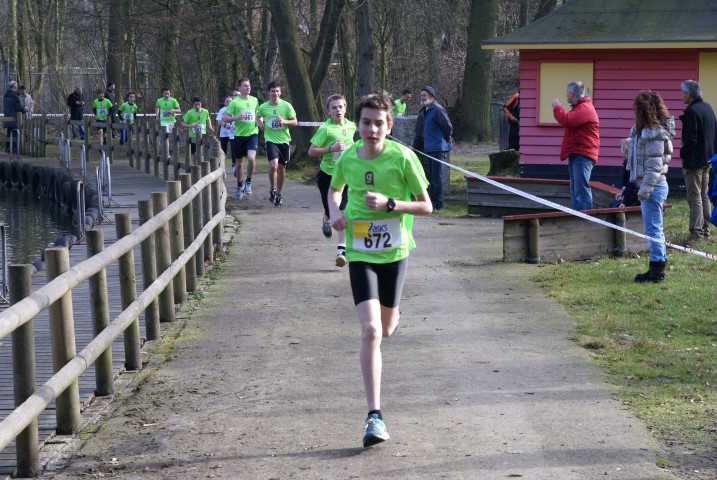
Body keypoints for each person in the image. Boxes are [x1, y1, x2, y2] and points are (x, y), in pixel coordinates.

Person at [327, 92, 432, 447]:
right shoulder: (348, 158)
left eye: (378, 123)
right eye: (366, 123)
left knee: (386, 329)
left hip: (394, 252)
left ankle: (393, 314)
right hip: (359, 251)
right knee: (371, 331)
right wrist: (335, 212)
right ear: (357, 125)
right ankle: (374, 416)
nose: (372, 129)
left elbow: (426, 206)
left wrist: (391, 204)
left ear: (389, 126)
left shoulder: (402, 158)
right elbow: (335, 190)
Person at [626, 90, 673, 283]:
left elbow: (654, 166)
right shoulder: (643, 131)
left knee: (653, 229)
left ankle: (657, 271)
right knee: (654, 228)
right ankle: (658, 263)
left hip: (653, 187)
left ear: (643, 110)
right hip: (649, 185)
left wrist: (644, 190)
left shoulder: (654, 134)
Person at [308, 94, 357, 267]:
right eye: (334, 107)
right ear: (328, 111)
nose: (338, 110)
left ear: (345, 108)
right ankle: (326, 219)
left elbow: (354, 144)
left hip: (346, 175)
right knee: (331, 210)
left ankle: (341, 250)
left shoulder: (352, 126)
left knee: (343, 211)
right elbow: (311, 151)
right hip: (328, 175)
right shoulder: (325, 129)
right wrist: (331, 149)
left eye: (340, 107)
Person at [551, 81, 600, 211]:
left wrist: (557, 108)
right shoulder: (581, 107)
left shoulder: (585, 108)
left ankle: (584, 218)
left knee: (581, 190)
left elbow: (566, 120)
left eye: (567, 92)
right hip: (578, 153)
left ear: (572, 93)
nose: (566, 95)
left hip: (583, 154)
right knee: (575, 189)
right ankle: (578, 215)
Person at [679, 79, 717, 242]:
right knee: (704, 195)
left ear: (689, 94)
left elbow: (691, 139)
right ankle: (706, 229)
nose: (681, 96)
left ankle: (696, 232)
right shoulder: (708, 107)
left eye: (682, 93)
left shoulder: (692, 112)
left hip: (694, 161)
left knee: (694, 196)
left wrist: (683, 153)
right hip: (708, 158)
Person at [257, 81, 297, 206]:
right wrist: (260, 124)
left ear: (280, 92)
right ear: (269, 93)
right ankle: (272, 188)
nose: (275, 93)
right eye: (273, 91)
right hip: (270, 139)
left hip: (284, 140)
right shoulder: (264, 107)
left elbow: (295, 122)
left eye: (277, 91)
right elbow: (258, 116)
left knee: (281, 168)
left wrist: (285, 121)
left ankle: (279, 193)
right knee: (273, 166)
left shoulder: (286, 106)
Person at [413, 86, 452, 210]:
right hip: (428, 148)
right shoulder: (425, 111)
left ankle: (438, 204)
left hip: (438, 148)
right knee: (429, 176)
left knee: (437, 177)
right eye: (421, 95)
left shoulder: (438, 109)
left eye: (424, 95)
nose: (422, 98)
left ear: (431, 96)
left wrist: (445, 140)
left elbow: (448, 127)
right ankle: (431, 202)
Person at [222, 78, 259, 199]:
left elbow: (258, 114)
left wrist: (260, 122)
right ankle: (239, 185)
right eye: (245, 86)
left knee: (251, 158)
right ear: (239, 88)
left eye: (249, 85)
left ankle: (248, 182)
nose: (248, 87)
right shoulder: (235, 102)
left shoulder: (254, 100)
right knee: (239, 164)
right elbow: (225, 118)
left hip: (252, 134)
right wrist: (237, 117)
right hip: (239, 136)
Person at [181, 96, 215, 164]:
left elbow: (208, 119)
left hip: (202, 135)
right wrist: (192, 126)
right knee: (194, 153)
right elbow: (184, 124)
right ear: (193, 105)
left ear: (201, 104)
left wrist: (210, 127)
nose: (197, 106)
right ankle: (195, 166)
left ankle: (201, 162)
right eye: (195, 105)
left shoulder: (205, 111)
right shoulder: (190, 113)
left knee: (200, 150)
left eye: (199, 104)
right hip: (193, 136)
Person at [611, 138, 640, 208]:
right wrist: (622, 193)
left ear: (626, 150)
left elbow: (632, 186)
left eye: (621, 148)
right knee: (613, 203)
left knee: (614, 206)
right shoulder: (632, 162)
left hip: (636, 198)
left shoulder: (630, 165)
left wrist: (625, 202)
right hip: (634, 195)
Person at [3, 81, 27, 153]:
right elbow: (19, 107)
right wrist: (24, 109)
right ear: (15, 87)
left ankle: (8, 150)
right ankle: (15, 151)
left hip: (7, 118)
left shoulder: (5, 95)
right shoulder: (15, 96)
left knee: (9, 134)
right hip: (14, 119)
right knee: (15, 135)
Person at [216, 96, 235, 163]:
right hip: (224, 134)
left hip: (233, 133)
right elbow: (219, 121)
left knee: (234, 149)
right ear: (224, 103)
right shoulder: (222, 110)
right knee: (223, 151)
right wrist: (225, 125)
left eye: (230, 101)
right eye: (227, 101)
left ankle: (234, 165)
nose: (229, 103)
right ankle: (222, 165)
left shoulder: (235, 109)